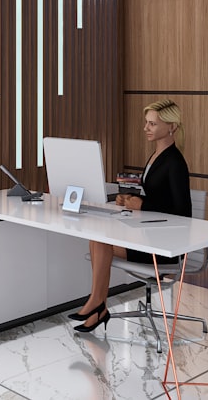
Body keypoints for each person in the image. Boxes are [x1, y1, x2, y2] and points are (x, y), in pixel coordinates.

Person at [70, 99, 191, 333]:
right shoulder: (157, 155)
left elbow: (183, 212)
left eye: (152, 124)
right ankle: (98, 305)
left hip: (164, 246)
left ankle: (97, 305)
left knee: (101, 240)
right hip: (151, 233)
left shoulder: (175, 162)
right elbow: (158, 196)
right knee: (97, 238)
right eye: (146, 123)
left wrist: (143, 206)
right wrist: (129, 199)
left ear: (171, 127)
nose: (146, 128)